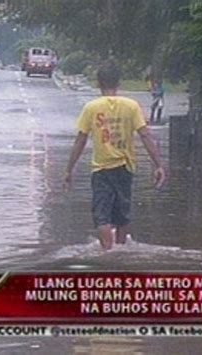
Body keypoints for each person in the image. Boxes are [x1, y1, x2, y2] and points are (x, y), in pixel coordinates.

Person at [64, 61, 166, 250]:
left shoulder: (91, 108)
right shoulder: (131, 106)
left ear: (98, 83)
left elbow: (80, 140)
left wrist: (69, 169)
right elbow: (145, 135)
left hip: (101, 170)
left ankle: (108, 254)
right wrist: (158, 165)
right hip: (125, 169)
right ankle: (120, 250)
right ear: (118, 83)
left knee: (102, 216)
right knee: (122, 215)